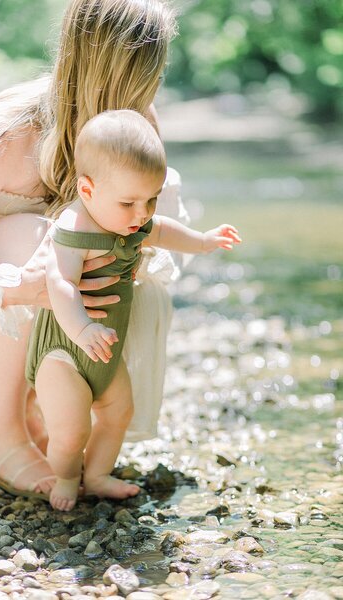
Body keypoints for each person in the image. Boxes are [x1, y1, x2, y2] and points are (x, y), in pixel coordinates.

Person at [0, 0, 189, 498]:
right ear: (120, 71)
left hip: (66, 312)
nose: (154, 89)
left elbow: (164, 226)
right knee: (34, 237)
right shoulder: (6, 135)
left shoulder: (133, 122)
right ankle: (5, 435)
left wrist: (134, 255)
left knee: (102, 250)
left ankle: (49, 413)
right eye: (150, 72)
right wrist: (18, 288)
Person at [25, 109, 241, 511]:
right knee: (71, 432)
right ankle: (68, 477)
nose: (142, 213)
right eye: (129, 202)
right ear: (87, 191)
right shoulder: (77, 227)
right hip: (64, 351)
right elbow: (60, 284)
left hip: (105, 352)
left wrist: (204, 240)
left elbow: (164, 230)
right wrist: (83, 329)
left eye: (151, 199)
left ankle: (100, 474)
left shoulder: (132, 219)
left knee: (118, 412)